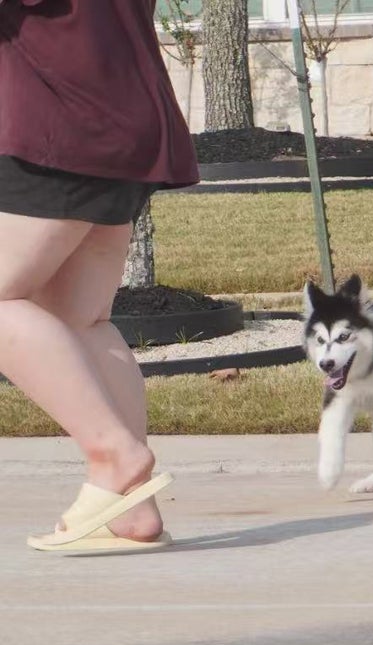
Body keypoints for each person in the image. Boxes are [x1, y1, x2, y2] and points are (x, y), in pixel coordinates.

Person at [0, 0, 199, 552]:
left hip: (62, 123)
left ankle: (113, 453)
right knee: (81, 319)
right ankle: (131, 510)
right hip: (125, 119)